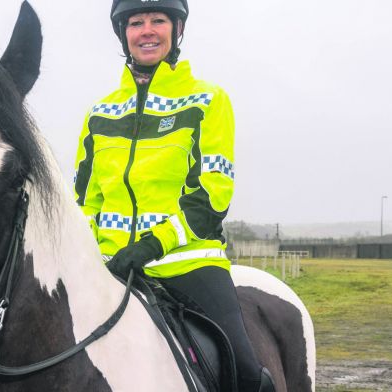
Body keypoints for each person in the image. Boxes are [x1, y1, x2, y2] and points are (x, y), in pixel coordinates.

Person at [73, 1, 276, 391]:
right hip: (110, 267)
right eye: (136, 22)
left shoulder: (207, 100)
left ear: (177, 29)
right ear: (123, 33)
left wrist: (152, 245)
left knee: (246, 371)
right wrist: (91, 254)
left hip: (187, 264)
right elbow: (85, 201)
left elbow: (212, 196)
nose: (146, 30)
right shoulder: (99, 113)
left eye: (158, 20)